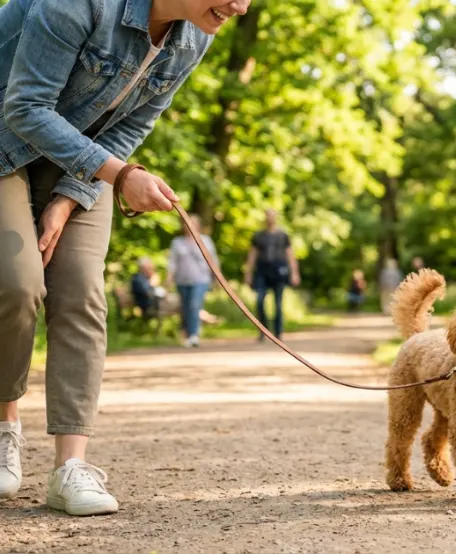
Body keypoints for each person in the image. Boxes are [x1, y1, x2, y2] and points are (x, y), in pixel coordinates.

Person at [0, 0, 251, 516]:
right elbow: (24, 108)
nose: (240, 7)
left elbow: (132, 125)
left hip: (83, 164)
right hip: (6, 145)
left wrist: (70, 197)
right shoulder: (78, 4)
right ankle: (5, 429)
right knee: (17, 283)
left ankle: (71, 469)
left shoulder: (195, 36)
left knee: (82, 293)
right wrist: (121, 176)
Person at [244, 208, 300, 341]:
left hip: (279, 272)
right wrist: (248, 273)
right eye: (268, 216)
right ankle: (263, 331)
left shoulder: (283, 236)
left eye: (272, 216)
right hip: (262, 272)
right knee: (259, 301)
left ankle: (278, 333)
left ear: (276, 218)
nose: (270, 219)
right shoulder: (258, 236)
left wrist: (295, 273)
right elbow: (252, 255)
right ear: (265, 218)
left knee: (278, 304)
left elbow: (290, 255)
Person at [167, 214, 217, 348]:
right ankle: (188, 334)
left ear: (198, 226)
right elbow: (172, 262)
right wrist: (169, 278)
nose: (189, 226)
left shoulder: (205, 241)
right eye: (187, 223)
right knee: (185, 308)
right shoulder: (177, 242)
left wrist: (217, 278)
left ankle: (194, 335)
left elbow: (213, 261)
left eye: (193, 223)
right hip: (182, 280)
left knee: (195, 305)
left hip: (200, 279)